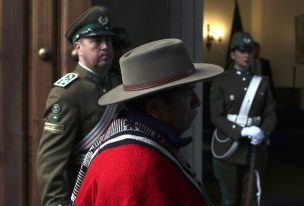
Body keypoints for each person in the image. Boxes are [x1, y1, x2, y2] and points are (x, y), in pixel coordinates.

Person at [70, 38, 223, 206]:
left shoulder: (146, 144)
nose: (197, 101)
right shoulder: (132, 167)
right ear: (155, 108)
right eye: (188, 93)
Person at [36, 6, 121, 206]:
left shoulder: (119, 85)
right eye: (96, 41)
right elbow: (50, 163)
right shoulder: (67, 93)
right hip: (87, 194)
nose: (105, 47)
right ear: (78, 47)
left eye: (108, 40)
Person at [209, 32, 276, 206]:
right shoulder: (221, 81)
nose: (246, 54)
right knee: (230, 199)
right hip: (229, 147)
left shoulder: (263, 82)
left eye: (250, 50)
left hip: (255, 148)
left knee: (252, 198)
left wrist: (263, 131)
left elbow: (270, 114)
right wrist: (241, 131)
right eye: (241, 50)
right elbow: (216, 116)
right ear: (232, 54)